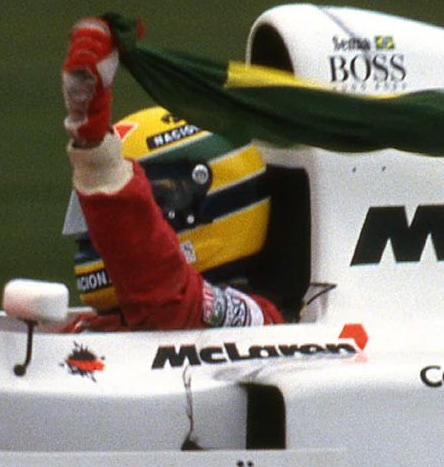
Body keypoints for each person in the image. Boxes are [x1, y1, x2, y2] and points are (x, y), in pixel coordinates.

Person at [60, 18, 284, 330]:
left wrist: (98, 156)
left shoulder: (254, 322)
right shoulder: (115, 322)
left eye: (145, 204)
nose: (92, 234)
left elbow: (169, 299)